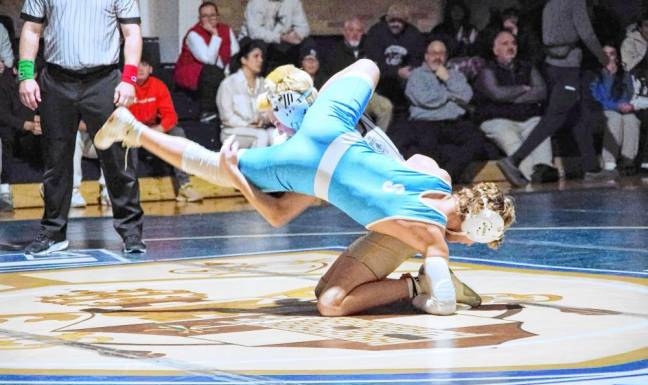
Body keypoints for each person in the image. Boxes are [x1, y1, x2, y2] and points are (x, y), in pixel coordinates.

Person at [94, 59, 516, 316]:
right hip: (324, 151)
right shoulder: (435, 234)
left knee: (218, 166)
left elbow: (367, 68)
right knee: (326, 297)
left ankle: (135, 131)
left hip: (329, 132)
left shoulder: (431, 172)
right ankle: (415, 285)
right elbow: (277, 216)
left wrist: (323, 103)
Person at [19, 0, 146, 255]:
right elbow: (31, 29)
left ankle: (131, 233)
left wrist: (129, 79)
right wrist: (25, 75)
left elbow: (131, 34)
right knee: (56, 161)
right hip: (56, 79)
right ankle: (53, 233)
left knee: (118, 159)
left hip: (103, 80)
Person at [497, 0, 614, 187]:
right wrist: (604, 59)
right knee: (555, 117)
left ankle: (591, 168)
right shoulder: (575, 2)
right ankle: (514, 160)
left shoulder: (551, 3)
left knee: (578, 117)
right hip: (566, 68)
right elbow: (586, 33)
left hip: (554, 66)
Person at [474, 30, 557, 183]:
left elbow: (541, 91)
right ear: (495, 50)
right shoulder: (487, 70)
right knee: (512, 141)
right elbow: (497, 94)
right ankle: (532, 176)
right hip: (498, 120)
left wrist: (511, 98)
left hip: (528, 118)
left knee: (541, 130)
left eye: (513, 43)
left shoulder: (527, 67)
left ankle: (544, 169)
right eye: (505, 44)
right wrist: (523, 89)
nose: (511, 47)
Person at [404, 39, 493, 182]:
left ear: (446, 57)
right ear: (426, 56)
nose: (437, 57)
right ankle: (437, 181)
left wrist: (447, 79)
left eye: (441, 53)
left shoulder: (455, 75)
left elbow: (466, 96)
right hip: (426, 122)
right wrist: (449, 96)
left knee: (477, 139)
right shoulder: (417, 75)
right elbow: (425, 99)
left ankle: (447, 177)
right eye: (433, 53)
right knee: (426, 144)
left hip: (454, 122)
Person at [132, 57, 203, 201]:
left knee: (178, 133)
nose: (140, 68)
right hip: (133, 130)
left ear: (150, 69)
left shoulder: (158, 85)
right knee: (125, 141)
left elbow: (171, 116)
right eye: (136, 64)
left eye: (144, 64)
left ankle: (185, 186)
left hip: (153, 129)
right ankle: (129, 190)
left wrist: (158, 130)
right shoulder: (126, 86)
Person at [174, 1, 239, 123]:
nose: (209, 19)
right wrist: (214, 34)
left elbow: (235, 54)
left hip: (220, 69)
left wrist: (229, 71)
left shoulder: (226, 30)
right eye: (205, 16)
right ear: (200, 19)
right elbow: (208, 59)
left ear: (218, 17)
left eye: (212, 15)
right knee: (212, 71)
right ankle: (208, 111)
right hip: (195, 72)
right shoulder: (193, 34)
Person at [328, 16, 394, 132]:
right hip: (345, 94)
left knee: (386, 106)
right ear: (344, 32)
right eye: (351, 30)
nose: (355, 34)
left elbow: (381, 71)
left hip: (368, 92)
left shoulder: (370, 49)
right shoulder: (334, 51)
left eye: (358, 31)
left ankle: (377, 140)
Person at [364, 3, 425, 112]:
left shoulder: (414, 34)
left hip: (404, 84)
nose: (395, 24)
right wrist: (396, 71)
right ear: (387, 19)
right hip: (380, 81)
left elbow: (417, 61)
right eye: (392, 20)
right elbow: (372, 64)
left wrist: (409, 72)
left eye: (400, 21)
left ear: (406, 21)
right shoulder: (376, 32)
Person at [217, 40, 277, 149]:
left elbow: (269, 111)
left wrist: (262, 120)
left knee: (276, 135)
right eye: (256, 56)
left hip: (258, 128)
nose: (260, 60)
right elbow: (227, 117)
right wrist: (247, 125)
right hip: (232, 131)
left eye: (261, 57)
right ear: (244, 60)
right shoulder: (229, 84)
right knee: (261, 136)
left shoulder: (263, 84)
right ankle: (255, 166)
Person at [0, 62, 43, 212]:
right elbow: (3, 116)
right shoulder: (5, 86)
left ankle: (51, 185)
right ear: (15, 71)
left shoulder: (40, 87)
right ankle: (4, 190)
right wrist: (26, 125)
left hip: (33, 135)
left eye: (34, 73)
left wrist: (40, 122)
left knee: (53, 133)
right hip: (13, 133)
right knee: (5, 134)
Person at [591, 44, 639, 176]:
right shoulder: (595, 74)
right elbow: (596, 98)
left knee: (631, 120)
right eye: (605, 54)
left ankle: (627, 161)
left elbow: (628, 95)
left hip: (621, 109)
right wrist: (616, 106)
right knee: (614, 118)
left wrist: (625, 106)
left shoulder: (624, 74)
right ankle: (609, 163)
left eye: (611, 54)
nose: (608, 57)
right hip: (601, 110)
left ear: (616, 57)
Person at [239, 0, 309, 73]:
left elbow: (304, 28)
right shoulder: (256, 2)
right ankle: (258, 81)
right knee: (259, 45)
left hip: (282, 41)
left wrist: (296, 35)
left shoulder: (293, 2)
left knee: (306, 43)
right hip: (253, 41)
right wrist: (280, 37)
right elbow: (254, 32)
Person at [621, 14, 648, 173]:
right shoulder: (630, 43)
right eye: (646, 25)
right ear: (640, 27)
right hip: (635, 94)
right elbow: (628, 67)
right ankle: (641, 161)